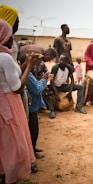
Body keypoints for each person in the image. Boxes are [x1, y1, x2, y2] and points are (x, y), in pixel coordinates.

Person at [0, 19, 40, 184]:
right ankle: (10, 178)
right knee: (13, 146)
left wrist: (25, 64)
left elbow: (12, 76)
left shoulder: (4, 56)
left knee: (4, 145)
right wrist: (30, 67)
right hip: (9, 103)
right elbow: (17, 87)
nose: (11, 39)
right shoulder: (4, 58)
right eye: (9, 35)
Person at [49, 53, 87, 117]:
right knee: (45, 93)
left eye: (62, 60)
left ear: (66, 62)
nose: (60, 61)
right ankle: (52, 110)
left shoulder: (68, 67)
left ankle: (78, 107)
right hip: (55, 87)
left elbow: (72, 80)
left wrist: (70, 92)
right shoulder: (55, 67)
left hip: (64, 86)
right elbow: (51, 81)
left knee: (80, 87)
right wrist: (56, 94)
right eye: (60, 60)